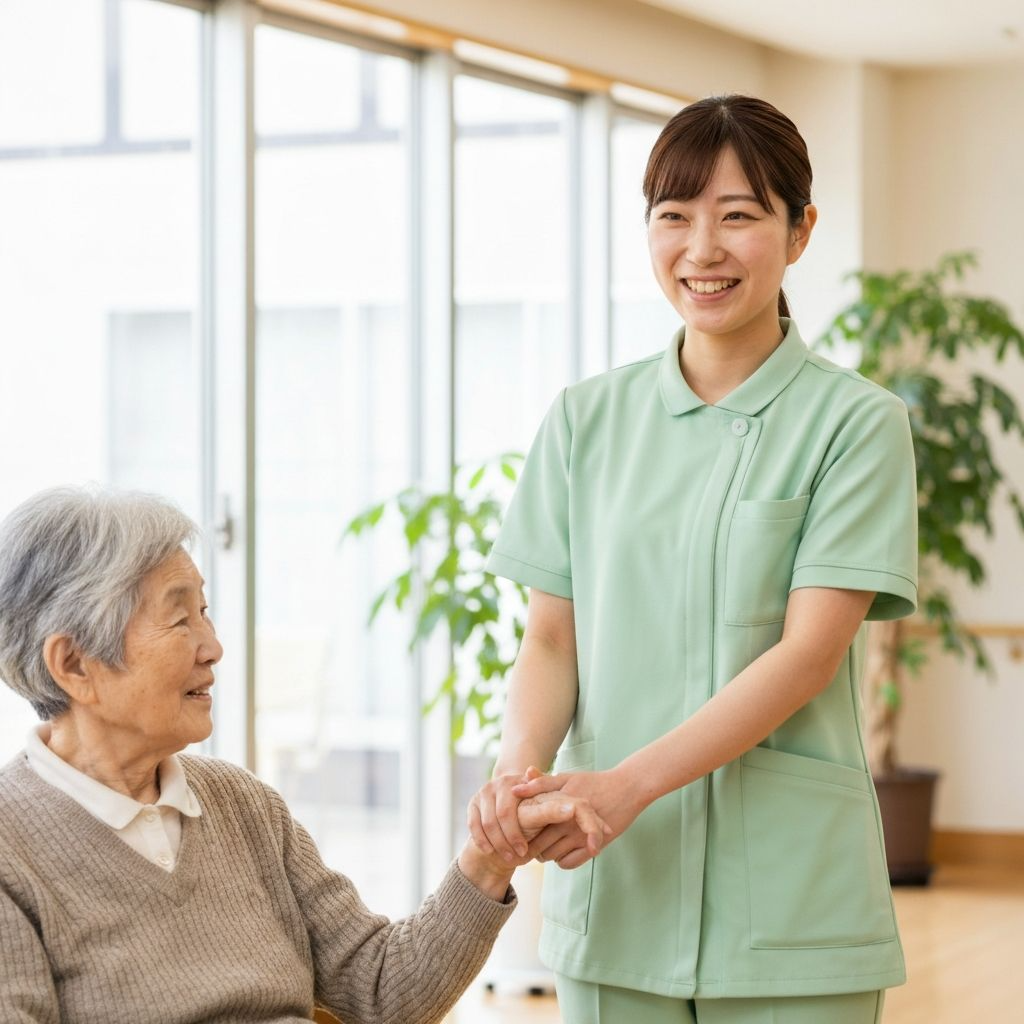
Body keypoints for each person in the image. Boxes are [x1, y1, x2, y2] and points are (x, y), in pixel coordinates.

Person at [468, 94, 918, 1024]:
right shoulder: (584, 422)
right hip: (616, 889)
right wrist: (519, 782)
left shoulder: (856, 425)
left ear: (799, 233)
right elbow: (552, 642)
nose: (701, 249)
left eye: (739, 216)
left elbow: (807, 656)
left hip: (792, 908)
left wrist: (624, 787)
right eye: (673, 216)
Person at [0, 486, 610, 1024]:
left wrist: (490, 853)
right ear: (74, 665)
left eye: (205, 613)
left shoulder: (242, 806)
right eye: (179, 619)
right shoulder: (12, 851)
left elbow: (384, 991)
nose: (213, 647)